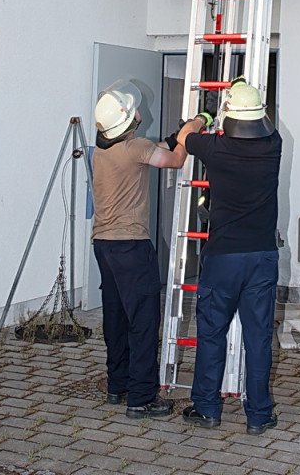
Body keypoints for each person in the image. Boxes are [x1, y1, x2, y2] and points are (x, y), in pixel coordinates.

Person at [92, 79, 208, 419]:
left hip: (105, 245)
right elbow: (174, 160)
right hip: (131, 246)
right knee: (143, 320)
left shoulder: (104, 151)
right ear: (129, 120)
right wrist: (192, 129)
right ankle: (142, 398)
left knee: (116, 317)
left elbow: (152, 150)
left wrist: (174, 136)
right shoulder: (136, 148)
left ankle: (118, 385)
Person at [177, 78, 282, 435]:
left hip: (223, 257)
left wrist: (203, 117)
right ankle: (259, 415)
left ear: (229, 116)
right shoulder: (274, 144)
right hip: (262, 256)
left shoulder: (213, 148)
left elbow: (184, 137)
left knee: (212, 333)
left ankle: (207, 408)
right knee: (258, 337)